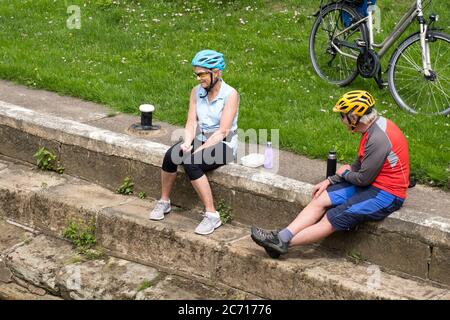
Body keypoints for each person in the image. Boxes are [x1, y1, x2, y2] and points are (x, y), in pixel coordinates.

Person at [251, 90, 409, 258]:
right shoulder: (372, 129)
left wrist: (344, 173)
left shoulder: (377, 139)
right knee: (321, 197)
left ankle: (281, 244)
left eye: (343, 115)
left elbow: (362, 179)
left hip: (387, 194)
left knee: (333, 217)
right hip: (373, 183)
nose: (341, 119)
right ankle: (280, 239)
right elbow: (360, 164)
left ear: (354, 118)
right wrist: (331, 180)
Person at [149, 49, 239, 235]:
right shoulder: (196, 92)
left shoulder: (230, 95)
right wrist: (187, 142)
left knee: (192, 162)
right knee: (171, 155)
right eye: (196, 74)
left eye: (202, 74)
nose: (198, 78)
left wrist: (198, 151)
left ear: (217, 72)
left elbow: (222, 131)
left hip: (225, 145)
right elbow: (191, 122)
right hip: (203, 138)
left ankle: (212, 215)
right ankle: (164, 202)